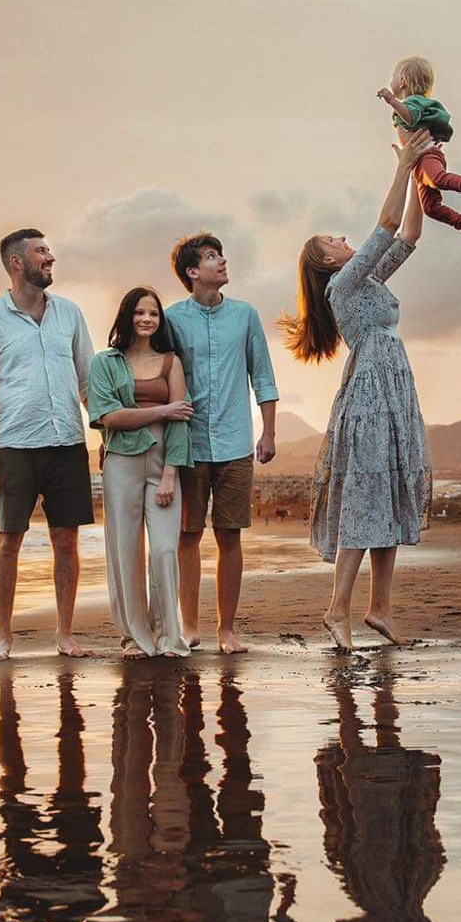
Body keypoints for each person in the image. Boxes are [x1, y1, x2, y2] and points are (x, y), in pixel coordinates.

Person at [278, 129, 436, 651]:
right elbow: (386, 223)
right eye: (334, 242)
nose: (345, 242)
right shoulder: (340, 285)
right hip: (370, 393)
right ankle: (337, 608)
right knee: (366, 497)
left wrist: (417, 175)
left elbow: (409, 233)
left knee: (388, 494)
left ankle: (380, 609)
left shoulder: (368, 281)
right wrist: (402, 164)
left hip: (395, 388)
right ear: (325, 261)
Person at [0, 227, 95, 661]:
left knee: (66, 542)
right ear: (16, 262)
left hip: (67, 443)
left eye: (50, 251)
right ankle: (4, 636)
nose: (51, 258)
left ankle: (64, 634)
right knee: (8, 541)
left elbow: (87, 383)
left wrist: (107, 435)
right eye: (42, 252)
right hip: (15, 446)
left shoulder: (70, 314)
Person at [165, 234, 280, 655]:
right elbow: (160, 378)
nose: (222, 261)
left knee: (230, 535)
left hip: (235, 442)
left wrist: (268, 432)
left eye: (221, 254)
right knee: (187, 535)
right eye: (212, 257)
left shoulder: (245, 316)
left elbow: (263, 376)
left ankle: (227, 630)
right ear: (193, 272)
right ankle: (190, 626)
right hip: (189, 444)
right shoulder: (172, 318)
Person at [87, 287, 195, 658]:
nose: (147, 319)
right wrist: (163, 411)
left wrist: (170, 475)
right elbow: (108, 416)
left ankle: (168, 637)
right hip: (121, 462)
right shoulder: (105, 363)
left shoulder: (171, 362)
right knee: (125, 551)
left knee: (165, 549)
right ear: (126, 316)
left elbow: (183, 424)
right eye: (139, 312)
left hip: (162, 463)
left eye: (153, 313)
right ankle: (135, 637)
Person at [376, 54, 461, 249]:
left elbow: (411, 118)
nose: (391, 81)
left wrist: (392, 101)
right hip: (418, 162)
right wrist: (407, 164)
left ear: (403, 81)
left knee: (438, 178)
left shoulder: (413, 103)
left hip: (427, 157)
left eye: (393, 76)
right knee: (430, 208)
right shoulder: (416, 103)